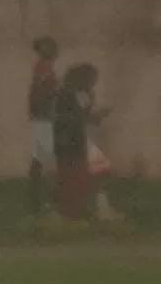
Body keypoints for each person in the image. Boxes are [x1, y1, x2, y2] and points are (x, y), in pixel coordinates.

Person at [47, 63, 104, 224]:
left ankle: (76, 211)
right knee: (69, 176)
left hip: (76, 140)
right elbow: (67, 118)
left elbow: (83, 116)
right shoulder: (65, 96)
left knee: (79, 175)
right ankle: (69, 212)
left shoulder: (81, 96)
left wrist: (93, 114)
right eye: (90, 80)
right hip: (66, 141)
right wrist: (87, 118)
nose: (92, 84)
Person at [26, 35, 59, 218]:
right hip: (44, 119)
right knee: (46, 160)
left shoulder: (44, 68)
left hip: (42, 118)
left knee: (40, 159)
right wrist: (47, 112)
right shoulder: (43, 70)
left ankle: (37, 199)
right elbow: (40, 94)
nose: (55, 50)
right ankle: (45, 202)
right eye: (50, 47)